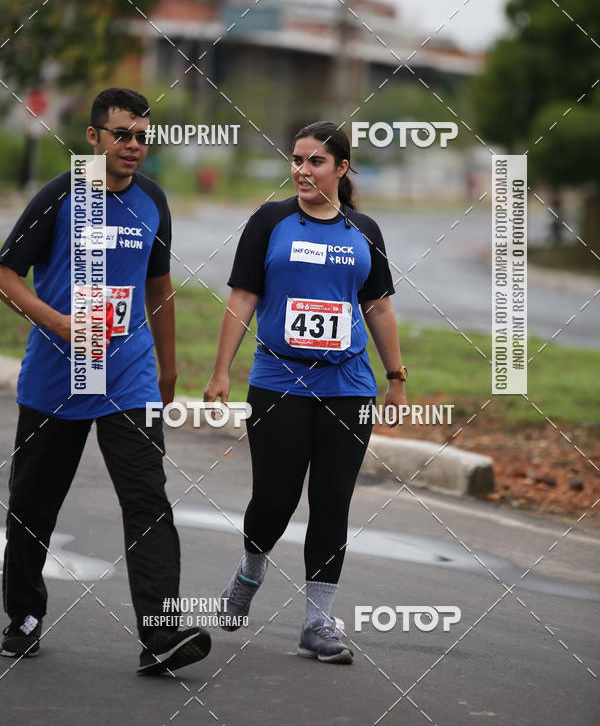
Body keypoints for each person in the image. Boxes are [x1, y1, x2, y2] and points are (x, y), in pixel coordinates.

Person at [0, 87, 211, 675]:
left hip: (129, 376)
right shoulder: (61, 195)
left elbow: (159, 289)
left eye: (143, 136)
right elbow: (6, 272)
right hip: (55, 377)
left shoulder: (153, 201)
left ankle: (161, 634)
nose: (134, 146)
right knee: (33, 506)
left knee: (148, 502)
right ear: (92, 137)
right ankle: (23, 616)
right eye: (122, 134)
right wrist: (59, 324)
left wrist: (168, 369)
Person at [204, 121, 407, 664]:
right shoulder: (270, 221)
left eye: (315, 161)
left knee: (332, 502)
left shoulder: (364, 229)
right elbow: (242, 296)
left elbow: (379, 307)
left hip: (349, 386)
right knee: (274, 498)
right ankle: (250, 571)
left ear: (341, 169)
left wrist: (396, 377)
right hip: (277, 382)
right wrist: (221, 371)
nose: (302, 170)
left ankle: (319, 622)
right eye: (296, 160)